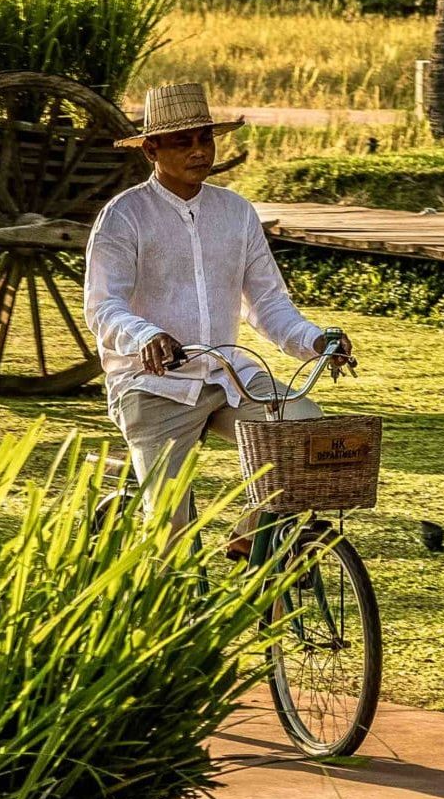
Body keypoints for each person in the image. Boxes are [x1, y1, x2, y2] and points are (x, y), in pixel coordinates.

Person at [83, 81, 352, 535]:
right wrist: (146, 336)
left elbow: (266, 302)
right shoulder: (124, 215)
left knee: (305, 426)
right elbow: (104, 305)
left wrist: (315, 339)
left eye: (204, 138)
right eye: (181, 141)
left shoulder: (236, 212)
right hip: (153, 387)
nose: (198, 151)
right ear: (151, 149)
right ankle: (169, 596)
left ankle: (250, 539)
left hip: (228, 378)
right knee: (171, 532)